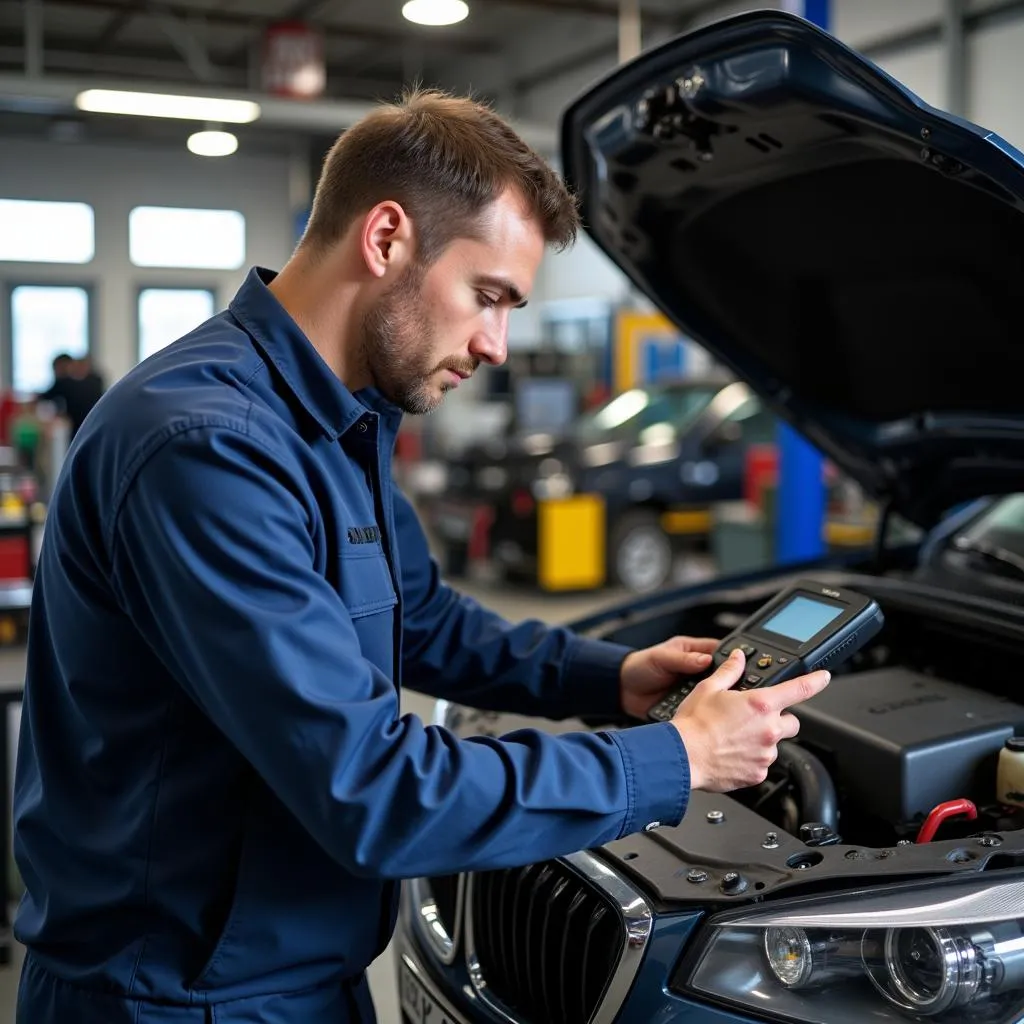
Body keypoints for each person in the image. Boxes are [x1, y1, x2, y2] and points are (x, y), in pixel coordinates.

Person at [13, 89, 830, 1024]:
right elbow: (375, 791)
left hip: (294, 977)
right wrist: (673, 757)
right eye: (488, 297)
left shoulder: (336, 420)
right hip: (172, 1000)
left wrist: (615, 679)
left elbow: (424, 620)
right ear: (388, 237)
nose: (495, 344)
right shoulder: (205, 447)